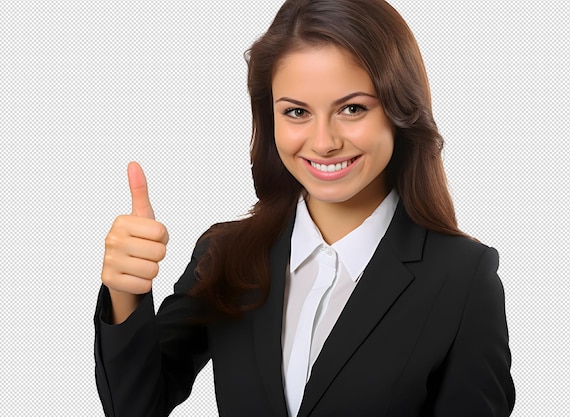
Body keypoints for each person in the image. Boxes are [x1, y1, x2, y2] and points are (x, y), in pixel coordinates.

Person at [94, 0, 515, 415]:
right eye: (296, 112)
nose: (323, 142)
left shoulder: (462, 278)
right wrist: (125, 293)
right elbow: (135, 407)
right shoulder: (226, 254)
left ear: (399, 110)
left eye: (352, 108)